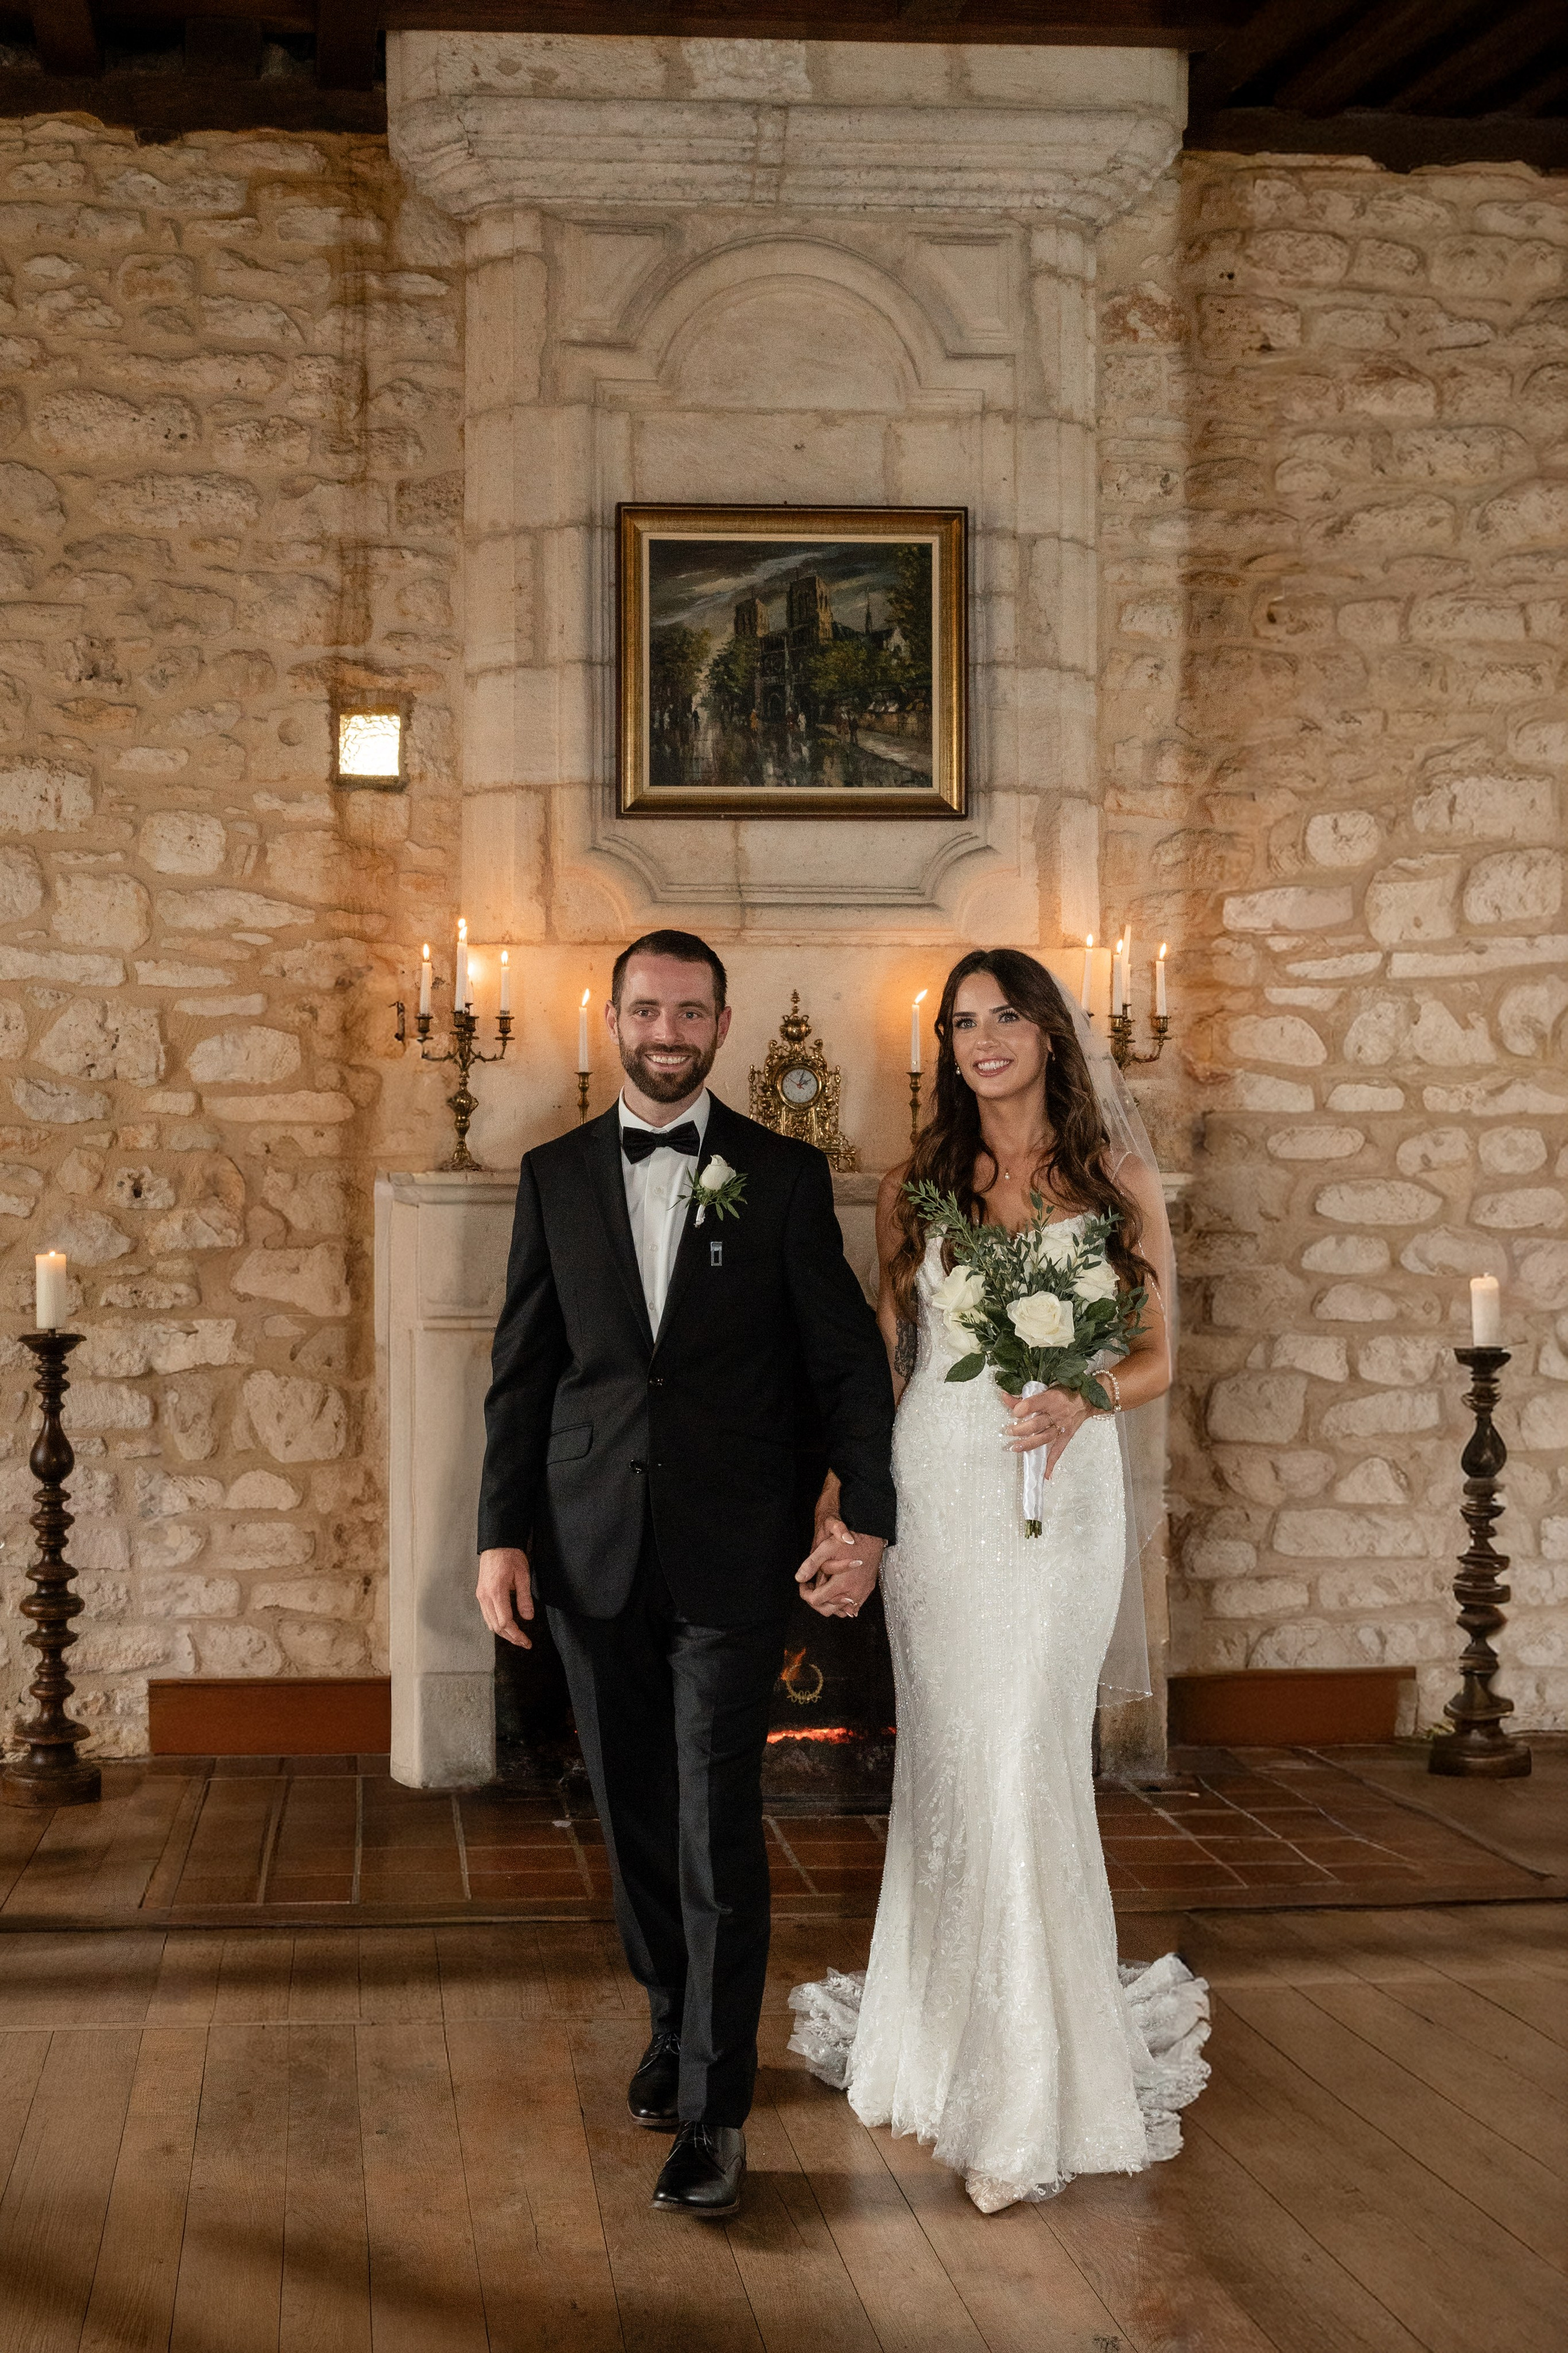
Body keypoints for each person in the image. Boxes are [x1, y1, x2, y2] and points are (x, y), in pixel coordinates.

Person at [476, 929, 895, 2219]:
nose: (668, 1030)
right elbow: (525, 1371)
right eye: (647, 1009)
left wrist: (867, 1516)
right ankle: (670, 2015)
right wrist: (498, 1536)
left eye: (691, 1011)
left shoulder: (779, 1174)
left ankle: (715, 2106)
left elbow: (842, 1365)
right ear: (610, 1019)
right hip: (587, 1544)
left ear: (722, 1024)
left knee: (716, 1826)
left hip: (729, 1548)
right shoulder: (551, 1175)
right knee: (635, 1817)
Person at [789, 947, 1210, 2213]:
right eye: (961, 1022)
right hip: (940, 1497)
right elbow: (881, 1360)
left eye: (1003, 1016)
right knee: (958, 1763)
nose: (982, 1040)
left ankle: (1036, 2088)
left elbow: (1154, 1360)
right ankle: (950, 2042)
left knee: (1027, 1749)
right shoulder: (914, 1186)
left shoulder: (1117, 1179)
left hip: (1062, 1496)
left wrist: (1077, 1394)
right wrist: (844, 1508)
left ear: (1045, 1035)